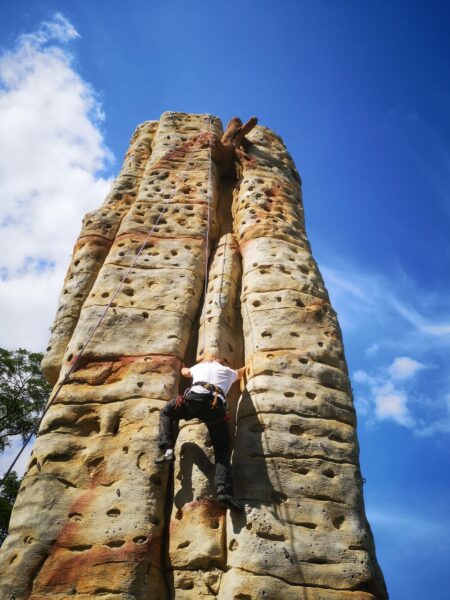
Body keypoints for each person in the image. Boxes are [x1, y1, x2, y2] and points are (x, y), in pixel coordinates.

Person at [155, 356, 245, 511]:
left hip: (193, 401)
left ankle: (168, 450)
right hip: (215, 408)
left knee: (167, 412)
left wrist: (183, 364)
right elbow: (241, 372)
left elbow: (184, 372)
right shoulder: (229, 372)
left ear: (209, 361)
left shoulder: (199, 367)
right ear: (222, 363)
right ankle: (223, 492)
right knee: (222, 449)